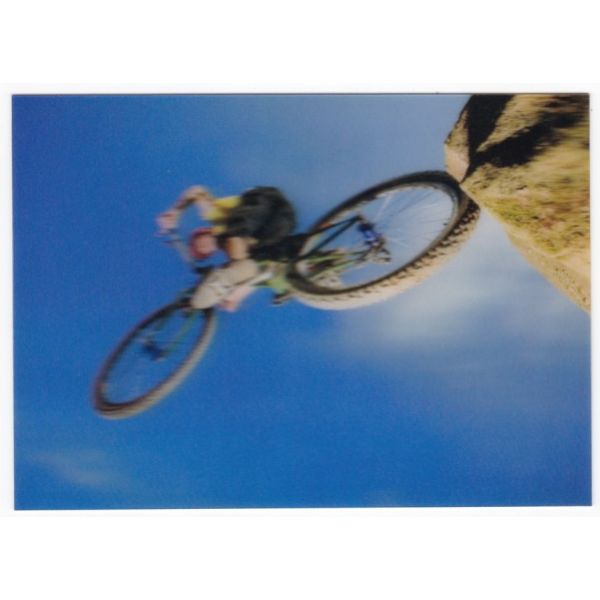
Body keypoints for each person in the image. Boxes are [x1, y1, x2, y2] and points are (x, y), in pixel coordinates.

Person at [156, 185, 297, 311]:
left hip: (265, 202)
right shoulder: (235, 249)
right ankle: (290, 282)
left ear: (206, 232)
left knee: (234, 237)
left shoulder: (216, 218)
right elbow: (251, 272)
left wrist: (176, 211)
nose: (202, 247)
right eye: (202, 252)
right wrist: (237, 296)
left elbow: (197, 192)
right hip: (281, 225)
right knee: (251, 264)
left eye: (199, 243)